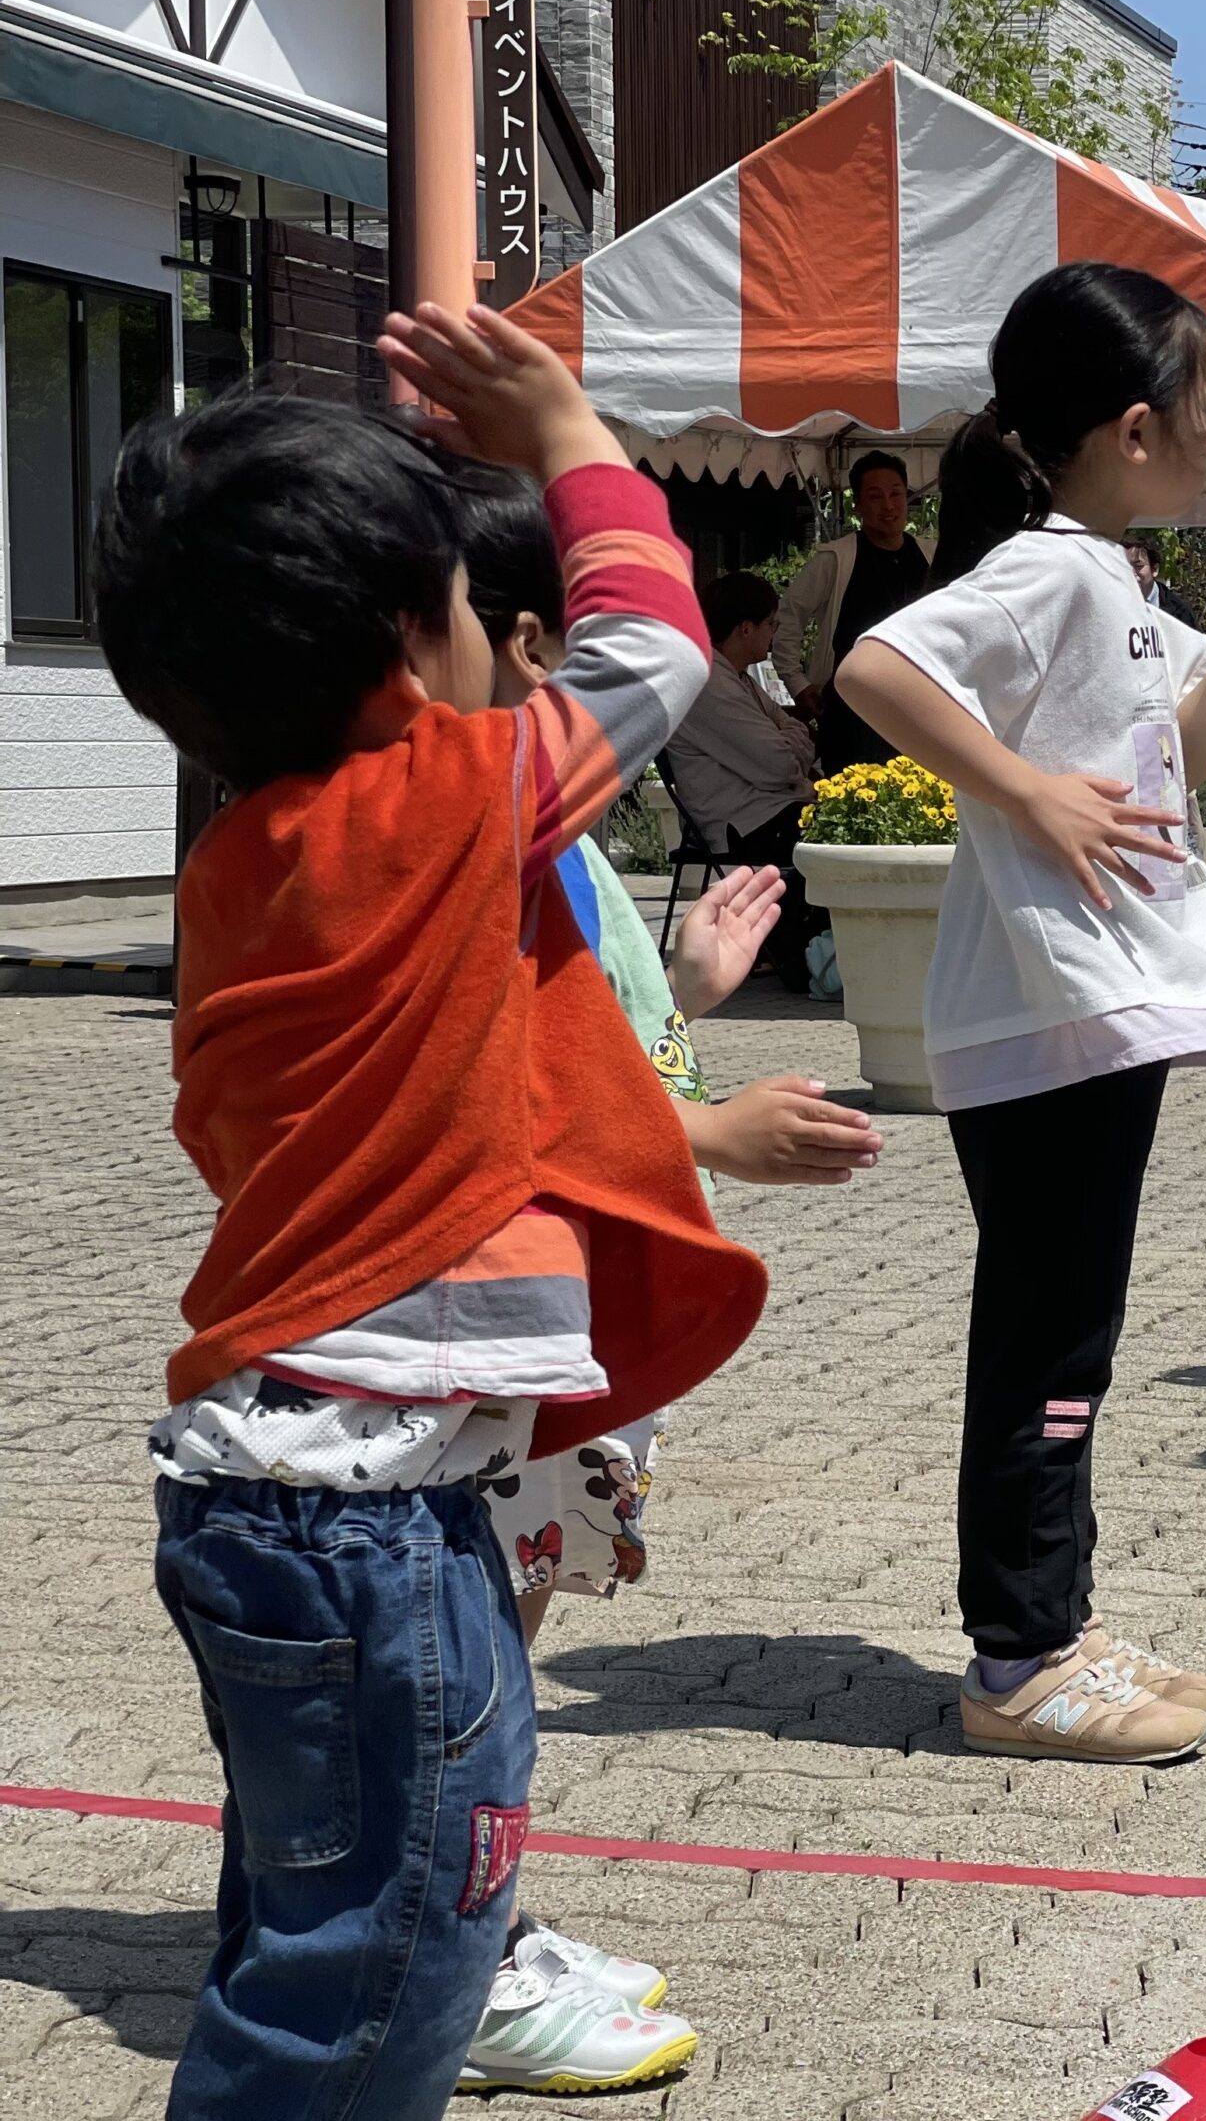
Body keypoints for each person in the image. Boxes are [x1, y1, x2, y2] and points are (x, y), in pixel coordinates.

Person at [94, 303, 769, 2119]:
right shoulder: (444, 801)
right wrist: (567, 434)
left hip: (267, 1495)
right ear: (410, 643)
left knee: (308, 1944)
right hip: (364, 1525)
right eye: (471, 601)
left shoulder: (239, 860)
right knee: (382, 1986)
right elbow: (656, 646)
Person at [434, 461, 883, 2093]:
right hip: (488, 1326)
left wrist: (683, 988)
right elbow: (505, 1102)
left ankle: (469, 1919)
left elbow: (588, 1043)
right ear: (527, 646)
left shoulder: (540, 835)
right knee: (462, 1659)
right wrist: (709, 1131)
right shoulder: (466, 826)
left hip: (556, 1318)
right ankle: (451, 1962)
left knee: (496, 1636)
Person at [834, 261, 1206, 1758]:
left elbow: (1185, 751)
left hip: (1094, 1006)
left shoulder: (1109, 574)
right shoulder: (1049, 567)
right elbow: (875, 669)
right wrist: (1029, 791)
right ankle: (1018, 1657)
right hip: (1052, 1013)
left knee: (1068, 1337)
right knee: (1048, 1344)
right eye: (1205, 408)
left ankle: (1056, 1625)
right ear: (1132, 427)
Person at [667, 570, 822, 965]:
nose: (774, 633)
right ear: (746, 628)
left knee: (842, 821)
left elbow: (793, 731)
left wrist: (791, 739)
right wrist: (793, 743)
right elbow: (779, 764)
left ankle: (816, 949)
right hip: (742, 824)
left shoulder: (736, 677)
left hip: (766, 810)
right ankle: (809, 954)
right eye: (772, 624)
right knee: (841, 834)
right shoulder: (708, 682)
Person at [771, 448, 933, 770]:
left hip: (918, 706)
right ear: (857, 504)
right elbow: (787, 617)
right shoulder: (835, 559)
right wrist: (798, 683)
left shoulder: (930, 555)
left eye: (896, 494)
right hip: (850, 712)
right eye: (875, 496)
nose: (888, 505)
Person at [1126, 534, 1199, 628]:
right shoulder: (1113, 606)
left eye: (1138, 566)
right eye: (1125, 565)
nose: (1131, 572)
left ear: (1155, 569)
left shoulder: (1180, 611)